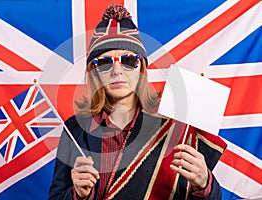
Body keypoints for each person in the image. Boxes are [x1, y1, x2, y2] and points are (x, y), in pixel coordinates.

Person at [48, 4, 226, 200]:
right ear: (94, 73)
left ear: (141, 68)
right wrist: (78, 195)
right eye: (105, 63)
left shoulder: (176, 124)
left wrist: (204, 183)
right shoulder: (75, 130)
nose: (117, 71)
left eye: (128, 61)